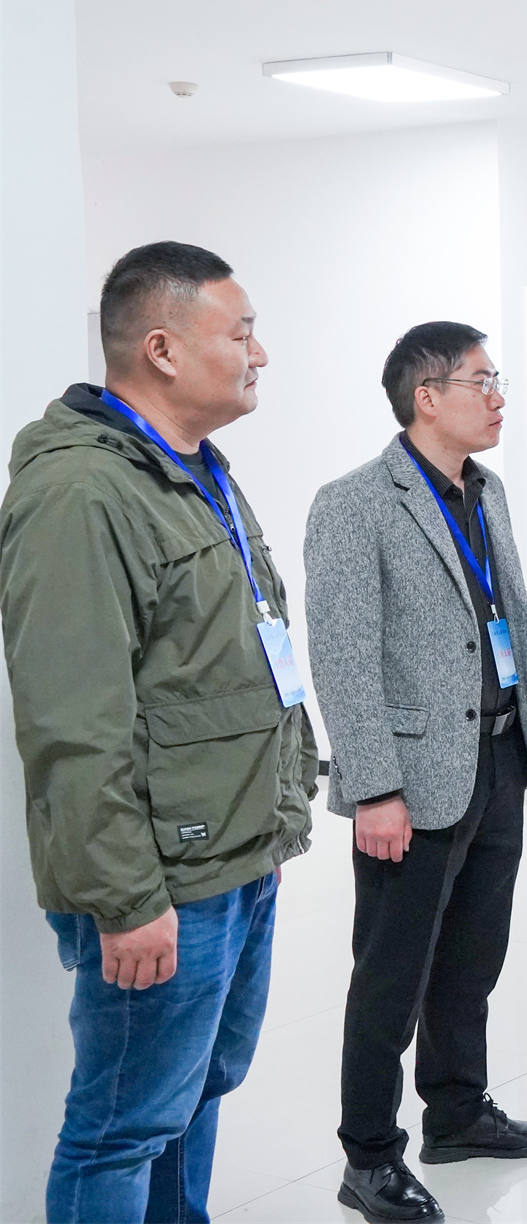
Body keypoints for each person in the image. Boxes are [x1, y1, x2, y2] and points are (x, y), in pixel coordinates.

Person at [0, 242, 318, 1223]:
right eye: (242, 332)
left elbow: (229, 662)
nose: (260, 353)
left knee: (195, 1091)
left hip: (233, 849)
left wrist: (278, 810)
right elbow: (72, 721)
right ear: (164, 349)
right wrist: (125, 897)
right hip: (160, 879)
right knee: (123, 1125)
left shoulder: (193, 469)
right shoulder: (81, 492)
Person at [305, 322, 527, 1224]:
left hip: (497, 755)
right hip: (410, 781)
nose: (498, 397)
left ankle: (457, 1110)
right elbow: (343, 658)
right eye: (481, 380)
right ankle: (370, 1155)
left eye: (498, 379)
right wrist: (375, 787)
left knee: (473, 955)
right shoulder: (355, 502)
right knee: (392, 972)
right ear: (427, 396)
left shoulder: (485, 492)